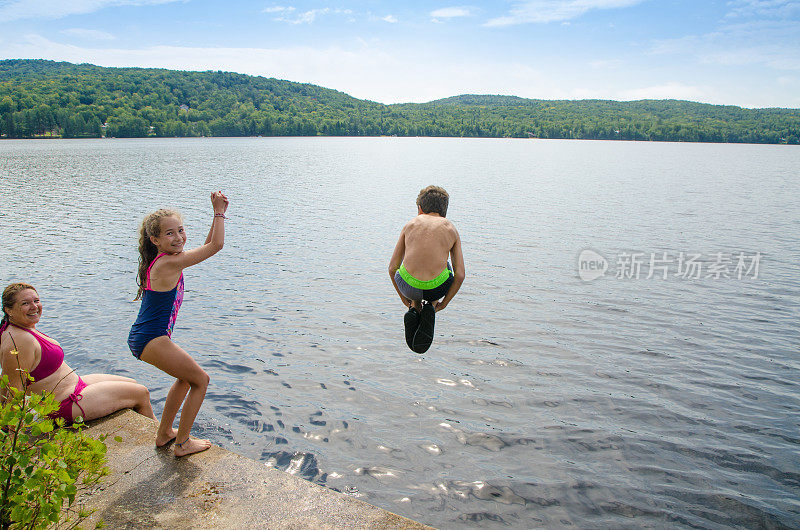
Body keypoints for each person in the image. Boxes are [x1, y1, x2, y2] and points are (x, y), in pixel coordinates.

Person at [128, 191, 228, 457]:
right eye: (170, 233)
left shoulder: (166, 261)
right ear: (155, 240)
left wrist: (214, 216)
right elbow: (216, 247)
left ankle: (164, 434)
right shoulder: (169, 264)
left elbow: (207, 246)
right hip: (151, 337)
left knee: (185, 379)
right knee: (200, 380)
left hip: (149, 336)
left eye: (181, 230)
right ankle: (182, 443)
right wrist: (219, 212)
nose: (179, 237)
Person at [0, 282, 156, 425]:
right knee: (140, 393)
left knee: (132, 384)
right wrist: (11, 436)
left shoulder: (22, 327)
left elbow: (7, 379)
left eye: (36, 301)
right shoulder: (19, 341)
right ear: (9, 310)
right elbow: (14, 392)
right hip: (64, 404)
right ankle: (162, 435)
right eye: (25, 303)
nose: (34, 307)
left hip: (75, 386)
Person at [389, 185, 465, 353]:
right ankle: (431, 306)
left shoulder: (410, 224)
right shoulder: (450, 228)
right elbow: (460, 275)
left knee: (409, 267)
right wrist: (444, 303)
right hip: (436, 290)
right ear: (444, 211)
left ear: (420, 209)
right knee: (446, 265)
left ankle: (415, 307)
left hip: (408, 289)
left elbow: (392, 268)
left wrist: (403, 297)